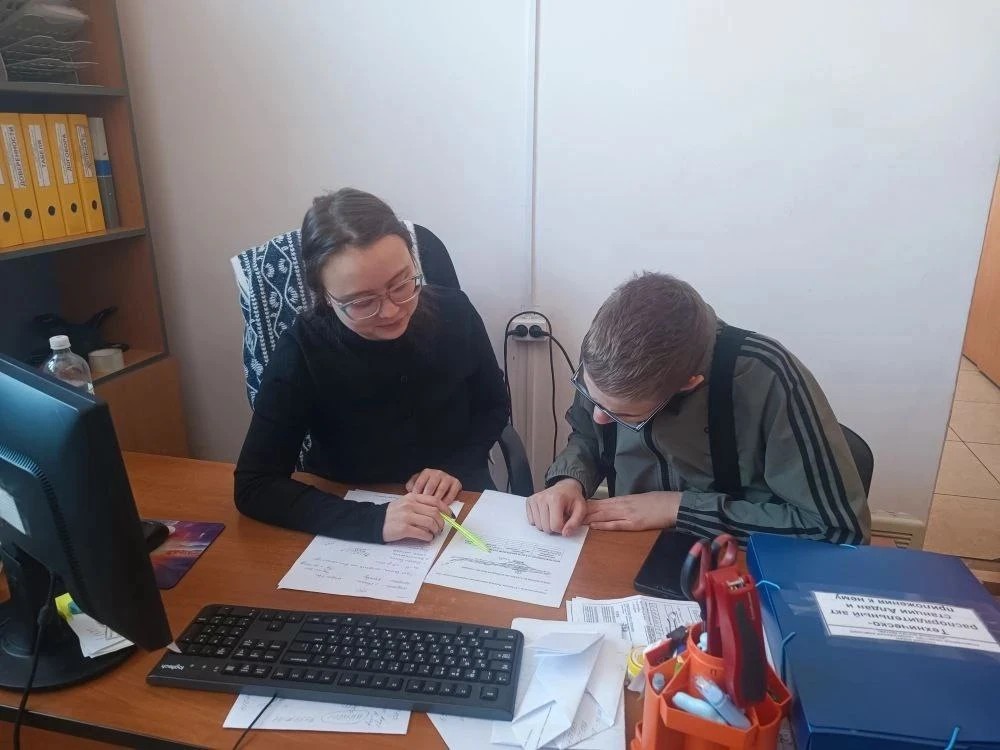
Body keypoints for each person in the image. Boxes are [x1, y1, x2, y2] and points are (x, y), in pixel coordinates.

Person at [235, 188, 507, 544]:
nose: (391, 311)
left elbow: (493, 405)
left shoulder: (455, 312)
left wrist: (455, 466)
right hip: (349, 504)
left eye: (402, 284)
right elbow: (254, 485)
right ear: (326, 296)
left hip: (458, 496)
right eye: (362, 302)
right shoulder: (302, 350)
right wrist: (373, 521)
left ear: (413, 260)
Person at [527, 272, 870, 545]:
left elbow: (839, 530)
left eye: (624, 416)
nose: (600, 417)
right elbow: (589, 436)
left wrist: (679, 508)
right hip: (631, 550)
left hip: (737, 562)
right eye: (590, 392)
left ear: (688, 384)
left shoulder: (768, 375)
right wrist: (570, 480)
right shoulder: (606, 360)